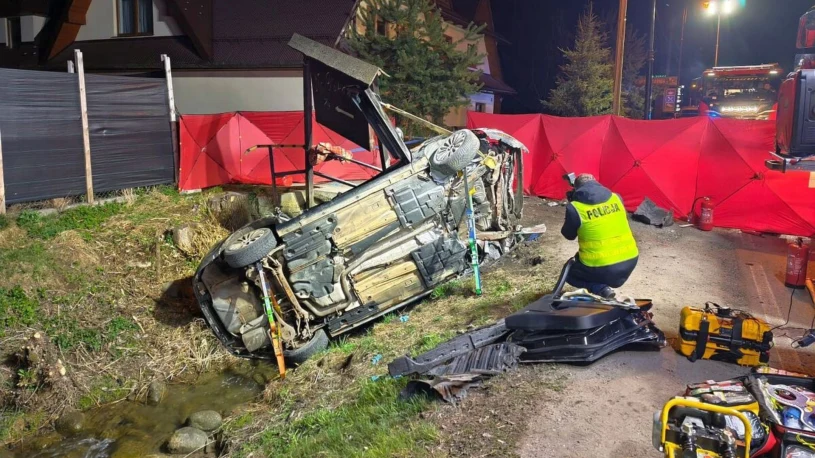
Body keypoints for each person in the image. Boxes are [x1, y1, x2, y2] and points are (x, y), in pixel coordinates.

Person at [560, 174, 639, 299]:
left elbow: (568, 235)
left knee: (569, 272)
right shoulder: (616, 198)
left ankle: (600, 288)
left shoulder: (575, 207)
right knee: (580, 260)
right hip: (630, 260)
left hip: (602, 267)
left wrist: (572, 206)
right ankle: (603, 287)